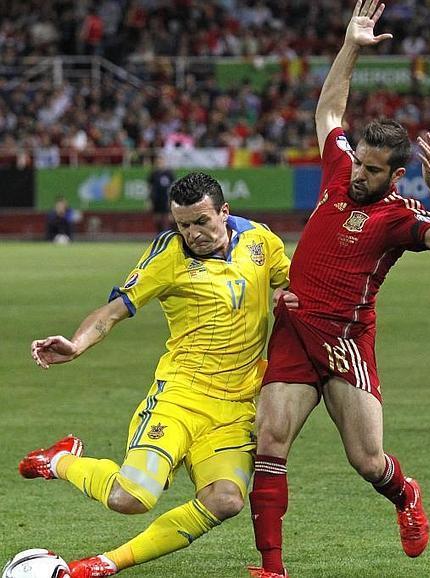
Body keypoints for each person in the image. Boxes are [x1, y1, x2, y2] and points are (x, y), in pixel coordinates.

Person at [247, 2, 430, 577]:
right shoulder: (340, 167)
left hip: (346, 345)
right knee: (269, 444)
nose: (357, 174)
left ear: (397, 174)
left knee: (367, 461)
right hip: (295, 330)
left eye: (372, 170)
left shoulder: (399, 214)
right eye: (359, 164)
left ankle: (406, 495)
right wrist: (351, 45)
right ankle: (272, 568)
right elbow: (329, 108)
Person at [22, 172, 291, 578]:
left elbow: (293, 284)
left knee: (226, 501)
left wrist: (291, 296)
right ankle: (59, 460)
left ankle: (106, 563)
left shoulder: (260, 241)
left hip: (236, 408)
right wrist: (76, 345)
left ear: (225, 211)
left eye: (202, 221)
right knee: (130, 498)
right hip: (180, 397)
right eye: (183, 224)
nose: (192, 233)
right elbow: (112, 312)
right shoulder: (167, 256)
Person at [147, 155, 175, 233]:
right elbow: (150, 187)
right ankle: (159, 234)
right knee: (157, 218)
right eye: (158, 161)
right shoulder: (153, 174)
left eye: (161, 161)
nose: (160, 163)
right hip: (156, 198)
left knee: (169, 218)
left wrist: (172, 199)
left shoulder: (169, 173)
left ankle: (169, 234)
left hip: (166, 198)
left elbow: (173, 187)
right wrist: (149, 200)